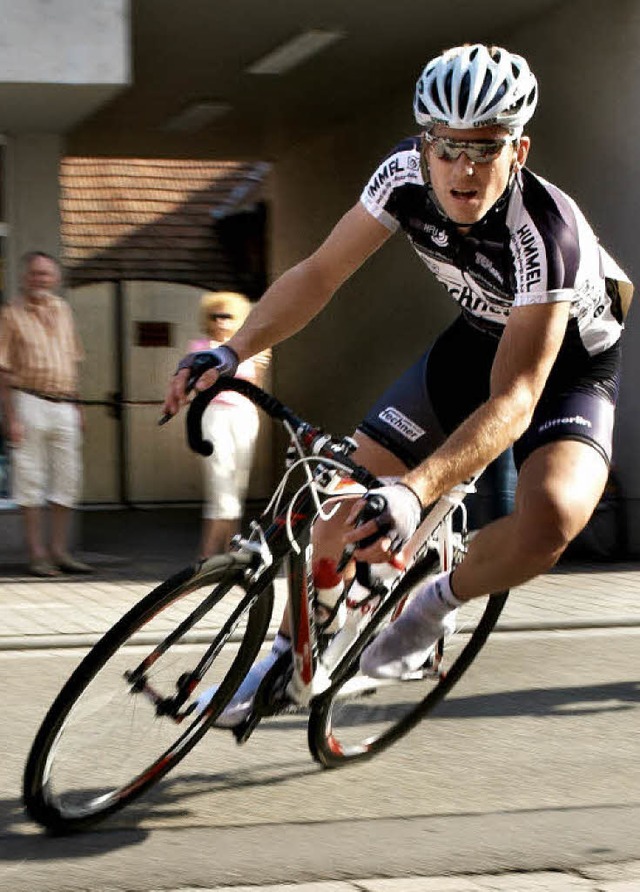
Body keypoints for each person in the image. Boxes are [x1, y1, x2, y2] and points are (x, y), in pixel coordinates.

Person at [164, 44, 632, 721]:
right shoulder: (401, 177)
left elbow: (517, 398)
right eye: (445, 147)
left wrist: (416, 491)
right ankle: (298, 647)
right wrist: (234, 350)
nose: (462, 170)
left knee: (552, 519)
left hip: (568, 369)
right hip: (477, 337)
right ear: (423, 144)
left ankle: (431, 604)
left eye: (485, 148)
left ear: (519, 151)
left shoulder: (547, 236)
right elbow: (320, 273)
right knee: (340, 505)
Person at [0, 251, 93, 577]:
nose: (41, 279)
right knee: (31, 480)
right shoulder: (10, 315)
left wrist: (78, 407)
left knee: (67, 479)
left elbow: (72, 362)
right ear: (25, 277)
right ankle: (37, 555)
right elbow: (3, 370)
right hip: (29, 402)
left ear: (55, 278)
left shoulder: (63, 310)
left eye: (47, 274)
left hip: (64, 403)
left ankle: (60, 551)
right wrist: (10, 417)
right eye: (36, 274)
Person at [187, 291, 270, 558]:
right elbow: (199, 382)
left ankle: (226, 553)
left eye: (227, 316)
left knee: (237, 484)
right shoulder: (201, 348)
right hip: (213, 414)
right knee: (221, 482)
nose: (221, 321)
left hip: (244, 415)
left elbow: (254, 388)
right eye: (215, 316)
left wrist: (259, 363)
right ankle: (207, 555)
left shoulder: (250, 350)